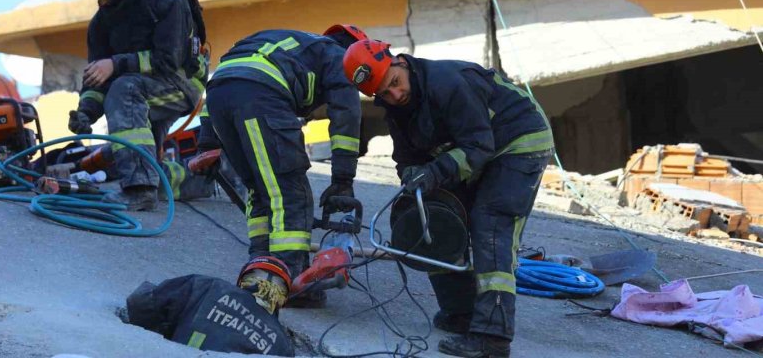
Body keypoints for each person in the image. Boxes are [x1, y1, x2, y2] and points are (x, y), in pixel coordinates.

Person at [342, 40, 554, 358]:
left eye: (395, 84)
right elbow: (407, 158)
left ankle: (492, 337)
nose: (395, 95)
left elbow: (479, 146)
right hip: (477, 149)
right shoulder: (396, 109)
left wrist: (435, 172)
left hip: (518, 141)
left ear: (400, 62)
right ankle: (460, 313)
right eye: (385, 93)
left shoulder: (447, 82)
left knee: (491, 225)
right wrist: (414, 175)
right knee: (436, 217)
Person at [196, 25, 368, 305]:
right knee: (290, 191)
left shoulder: (287, 43)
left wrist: (207, 141)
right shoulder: (340, 56)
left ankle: (262, 269)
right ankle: (290, 279)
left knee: (261, 189)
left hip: (220, 95)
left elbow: (224, 79)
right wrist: (343, 179)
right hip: (261, 95)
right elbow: (346, 117)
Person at [68, 0, 207, 211]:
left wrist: (116, 64)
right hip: (142, 88)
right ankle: (197, 182)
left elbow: (170, 60)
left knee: (123, 89)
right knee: (142, 160)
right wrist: (86, 111)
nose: (101, 2)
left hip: (183, 82)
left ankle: (140, 191)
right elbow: (97, 78)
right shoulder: (101, 24)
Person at [126, 255, 295, 356]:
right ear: (281, 299)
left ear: (242, 280)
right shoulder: (282, 344)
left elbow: (141, 301)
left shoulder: (206, 286)